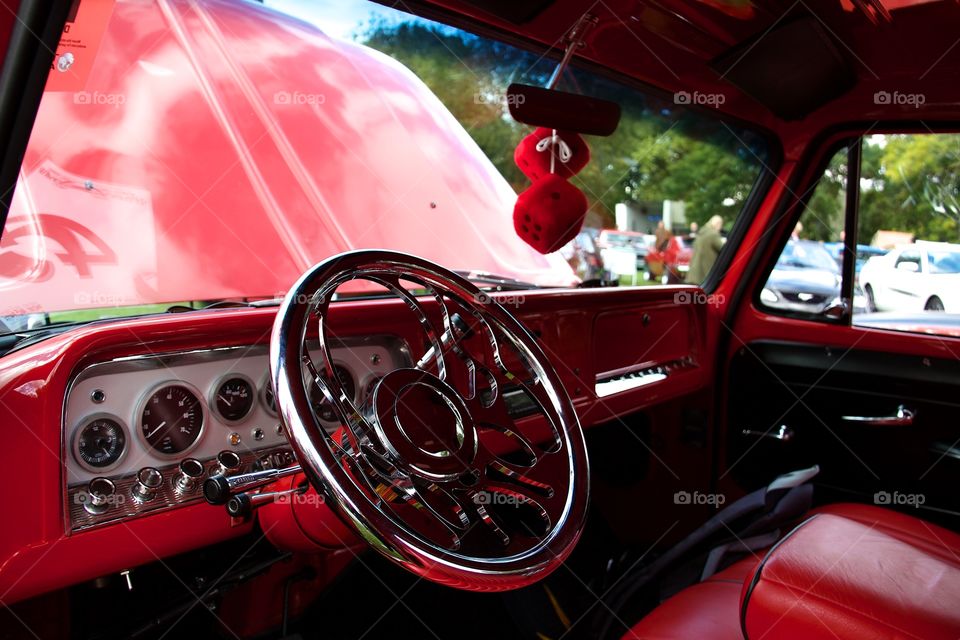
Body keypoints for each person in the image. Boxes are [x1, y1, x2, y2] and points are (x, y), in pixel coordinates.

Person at [686, 215, 724, 283]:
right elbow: (723, 250)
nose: (720, 228)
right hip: (705, 274)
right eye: (721, 225)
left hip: (694, 273)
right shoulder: (713, 234)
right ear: (718, 224)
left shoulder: (701, 233)